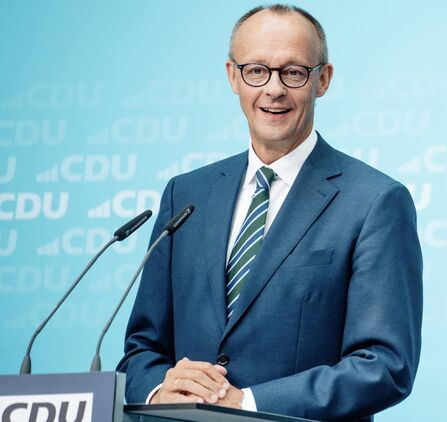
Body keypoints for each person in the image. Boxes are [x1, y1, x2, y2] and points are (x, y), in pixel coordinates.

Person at [116, 4, 423, 421]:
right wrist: (160, 389)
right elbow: (141, 348)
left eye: (293, 72)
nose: (274, 89)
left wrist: (247, 404)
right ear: (233, 76)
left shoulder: (375, 201)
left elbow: (385, 366)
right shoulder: (186, 195)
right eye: (257, 71)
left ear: (323, 80)